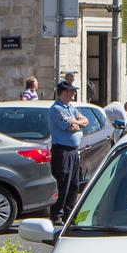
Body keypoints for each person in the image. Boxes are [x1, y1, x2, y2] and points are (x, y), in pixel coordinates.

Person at [47, 80, 89, 224]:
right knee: (62, 183)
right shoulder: (56, 109)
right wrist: (77, 124)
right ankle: (57, 214)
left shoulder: (70, 108)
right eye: (72, 91)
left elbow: (86, 121)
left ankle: (69, 214)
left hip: (73, 151)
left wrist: (78, 123)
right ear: (64, 92)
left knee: (74, 184)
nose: (74, 94)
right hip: (62, 152)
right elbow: (70, 127)